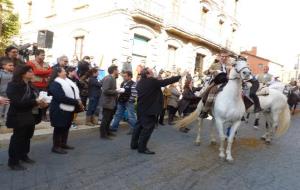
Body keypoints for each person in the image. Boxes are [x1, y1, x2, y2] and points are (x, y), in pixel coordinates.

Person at [130, 67, 182, 154]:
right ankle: (142, 148)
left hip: (141, 108)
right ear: (147, 74)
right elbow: (165, 82)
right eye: (151, 71)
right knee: (147, 128)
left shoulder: (140, 82)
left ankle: (134, 144)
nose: (153, 72)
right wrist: (179, 76)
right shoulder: (152, 81)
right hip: (149, 110)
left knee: (138, 126)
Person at [6, 65, 48, 170]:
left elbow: (35, 99)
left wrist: (41, 103)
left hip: (31, 115)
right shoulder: (13, 85)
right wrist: (35, 102)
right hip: (19, 116)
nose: (32, 73)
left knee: (27, 136)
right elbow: (17, 102)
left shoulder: (31, 85)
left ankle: (23, 155)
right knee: (17, 138)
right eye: (30, 71)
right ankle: (13, 162)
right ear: (22, 73)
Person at [48, 67, 83, 154]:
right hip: (59, 109)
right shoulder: (55, 83)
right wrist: (76, 102)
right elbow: (61, 97)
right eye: (63, 71)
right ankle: (56, 146)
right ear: (58, 73)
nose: (65, 73)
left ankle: (63, 143)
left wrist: (77, 101)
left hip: (68, 108)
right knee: (59, 128)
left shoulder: (67, 81)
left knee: (66, 127)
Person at [199, 52, 231, 118]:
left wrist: (229, 74)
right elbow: (206, 72)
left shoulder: (229, 66)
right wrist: (213, 71)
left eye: (225, 57)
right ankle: (205, 111)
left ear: (227, 58)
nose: (224, 58)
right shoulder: (214, 65)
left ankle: (241, 110)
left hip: (227, 82)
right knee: (212, 91)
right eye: (222, 56)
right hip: (217, 82)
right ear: (220, 57)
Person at [27, 49, 52, 121]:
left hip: (44, 85)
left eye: (44, 55)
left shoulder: (46, 64)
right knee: (35, 100)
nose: (44, 56)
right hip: (34, 84)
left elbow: (51, 72)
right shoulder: (30, 63)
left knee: (45, 100)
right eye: (42, 55)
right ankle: (34, 116)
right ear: (37, 55)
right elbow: (36, 72)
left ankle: (43, 115)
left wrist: (43, 72)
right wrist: (46, 72)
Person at [99, 65, 123, 139]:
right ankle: (103, 134)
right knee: (106, 119)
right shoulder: (108, 78)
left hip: (111, 102)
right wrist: (116, 91)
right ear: (114, 70)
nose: (118, 71)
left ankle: (107, 131)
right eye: (117, 70)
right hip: (107, 102)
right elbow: (105, 90)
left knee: (109, 118)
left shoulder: (112, 78)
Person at [0, 58, 14, 126]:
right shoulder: (1, 73)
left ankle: (6, 120)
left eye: (12, 65)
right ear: (3, 66)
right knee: (1, 108)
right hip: (1, 95)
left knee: (8, 108)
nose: (12, 67)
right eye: (10, 65)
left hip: (10, 94)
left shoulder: (13, 74)